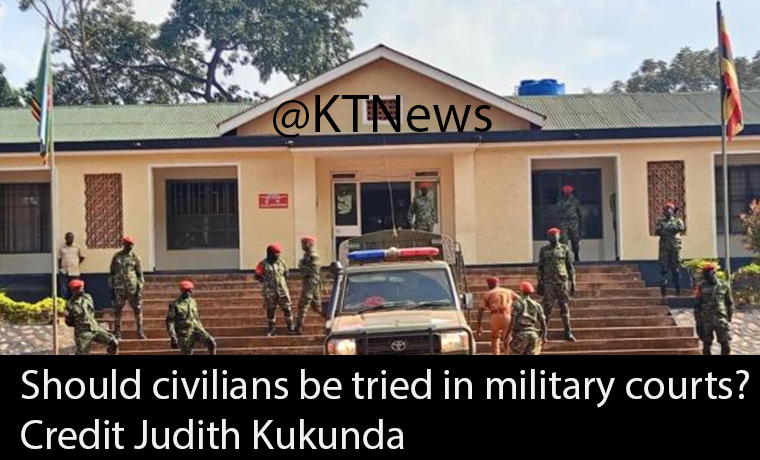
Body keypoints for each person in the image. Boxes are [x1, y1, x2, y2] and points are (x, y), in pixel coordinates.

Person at [538, 228, 577, 342]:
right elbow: (540, 266)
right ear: (548, 238)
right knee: (547, 308)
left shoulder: (564, 249)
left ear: (559, 236)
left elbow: (569, 266)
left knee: (564, 307)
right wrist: (539, 281)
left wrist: (573, 282)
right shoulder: (544, 250)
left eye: (555, 236)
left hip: (561, 282)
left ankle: (568, 331)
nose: (553, 238)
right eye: (551, 236)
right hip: (548, 282)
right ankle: (543, 333)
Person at [64, 279, 118, 356]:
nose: (82, 290)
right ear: (73, 290)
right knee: (82, 353)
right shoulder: (70, 305)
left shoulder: (87, 297)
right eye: (79, 289)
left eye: (82, 288)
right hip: (83, 333)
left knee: (113, 342)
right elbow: (69, 322)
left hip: (95, 328)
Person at [109, 236, 145, 340]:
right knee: (117, 310)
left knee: (137, 309)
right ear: (124, 244)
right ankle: (117, 332)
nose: (130, 246)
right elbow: (111, 273)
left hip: (132, 289)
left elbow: (140, 275)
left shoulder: (135, 257)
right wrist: (111, 288)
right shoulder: (116, 257)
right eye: (128, 244)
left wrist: (139, 289)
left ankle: (140, 331)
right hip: (119, 288)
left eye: (132, 244)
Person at [166, 281, 217, 356]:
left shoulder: (193, 302)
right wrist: (173, 336)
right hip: (184, 333)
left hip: (196, 329)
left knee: (211, 342)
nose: (188, 293)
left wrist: (202, 329)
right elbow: (170, 321)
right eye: (186, 290)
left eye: (189, 290)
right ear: (181, 291)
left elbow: (196, 317)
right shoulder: (175, 304)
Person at [695, 264, 734, 356]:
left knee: (726, 344)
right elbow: (697, 305)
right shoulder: (701, 286)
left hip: (721, 318)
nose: (705, 275)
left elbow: (729, 303)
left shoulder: (724, 285)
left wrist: (729, 319)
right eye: (704, 273)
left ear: (713, 273)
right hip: (706, 319)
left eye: (707, 273)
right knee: (706, 344)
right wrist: (698, 322)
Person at [256, 244, 294, 336]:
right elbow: (258, 275)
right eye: (275, 253)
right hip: (270, 291)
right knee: (270, 310)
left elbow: (286, 274)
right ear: (269, 253)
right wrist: (266, 283)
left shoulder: (282, 262)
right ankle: (272, 329)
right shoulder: (262, 264)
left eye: (278, 253)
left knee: (287, 308)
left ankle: (290, 328)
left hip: (282, 290)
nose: (277, 255)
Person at [477, 277, 517, 355]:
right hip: (507, 315)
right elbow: (520, 300)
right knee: (507, 338)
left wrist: (479, 325)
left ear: (489, 285)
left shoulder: (488, 294)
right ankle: (508, 353)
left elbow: (481, 310)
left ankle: (496, 353)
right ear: (497, 283)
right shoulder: (508, 291)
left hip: (495, 316)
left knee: (494, 338)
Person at [655, 202, 686, 298]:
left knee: (675, 270)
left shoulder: (678, 220)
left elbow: (680, 228)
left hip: (674, 248)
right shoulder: (661, 221)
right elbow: (658, 231)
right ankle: (663, 292)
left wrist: (667, 229)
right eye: (666, 209)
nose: (667, 211)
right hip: (664, 248)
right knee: (663, 270)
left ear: (673, 211)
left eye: (669, 209)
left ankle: (678, 291)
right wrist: (670, 229)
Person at [510, 281, 548, 355]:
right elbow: (543, 322)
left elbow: (512, 321)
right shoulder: (537, 305)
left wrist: (507, 334)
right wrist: (544, 336)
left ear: (521, 291)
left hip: (520, 334)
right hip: (533, 334)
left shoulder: (517, 303)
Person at [295, 236, 322, 335]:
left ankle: (299, 328)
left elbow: (313, 271)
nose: (302, 246)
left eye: (304, 244)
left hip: (311, 282)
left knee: (303, 305)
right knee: (317, 307)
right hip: (310, 281)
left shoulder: (313, 256)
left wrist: (301, 265)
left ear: (310, 244)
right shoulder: (307, 255)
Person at [556, 185, 584, 263]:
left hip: (573, 223)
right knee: (564, 241)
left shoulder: (575, 201)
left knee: (575, 241)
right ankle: (565, 257)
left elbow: (580, 214)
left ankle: (576, 255)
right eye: (565, 192)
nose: (567, 193)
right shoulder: (560, 201)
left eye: (568, 192)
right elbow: (557, 212)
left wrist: (581, 226)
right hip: (563, 223)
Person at [58, 232, 85, 299]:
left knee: (75, 288)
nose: (70, 239)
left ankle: (75, 302)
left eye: (72, 237)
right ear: (65, 238)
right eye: (69, 237)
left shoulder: (77, 247)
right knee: (63, 289)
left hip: (74, 271)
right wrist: (60, 268)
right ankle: (64, 302)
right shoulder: (61, 248)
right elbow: (59, 259)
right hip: (64, 271)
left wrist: (76, 263)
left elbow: (82, 257)